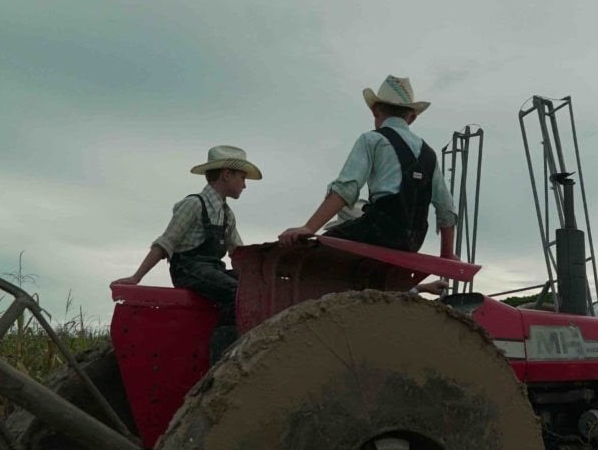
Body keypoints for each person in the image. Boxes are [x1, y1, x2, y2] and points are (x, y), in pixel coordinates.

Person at [112, 145, 262, 364]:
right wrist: (136, 277)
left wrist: (255, 279)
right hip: (188, 268)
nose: (245, 185)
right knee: (234, 292)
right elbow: (165, 243)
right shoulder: (193, 205)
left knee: (248, 288)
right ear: (226, 175)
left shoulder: (227, 214)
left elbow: (238, 254)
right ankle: (222, 359)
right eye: (242, 177)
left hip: (211, 269)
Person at [279, 75, 457, 258]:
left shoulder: (372, 140)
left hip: (379, 231)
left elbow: (346, 188)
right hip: (413, 241)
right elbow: (446, 208)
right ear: (411, 118)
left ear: (375, 111)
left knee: (321, 247)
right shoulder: (429, 154)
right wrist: (447, 253)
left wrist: (309, 227)